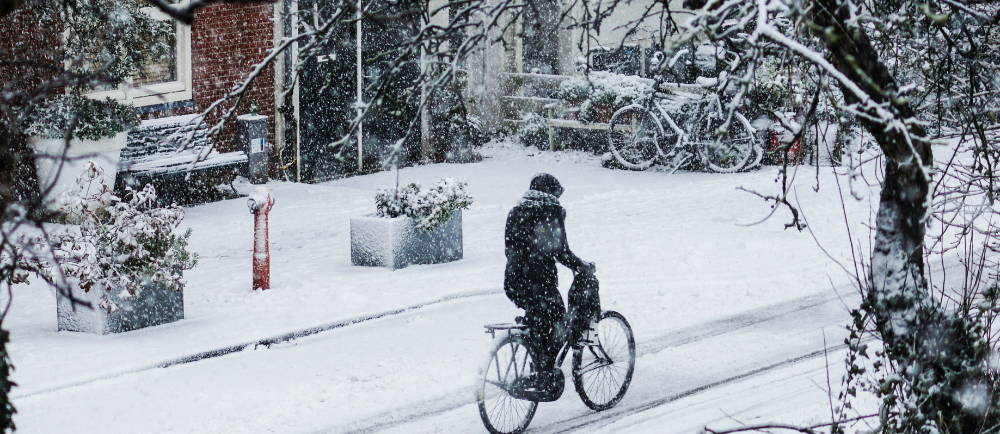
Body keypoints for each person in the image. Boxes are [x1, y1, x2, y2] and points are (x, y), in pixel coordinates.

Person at [504, 173, 598, 394]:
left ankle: (537, 365)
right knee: (559, 325)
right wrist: (582, 266)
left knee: (539, 321)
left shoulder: (515, 211)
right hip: (539, 282)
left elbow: (509, 249)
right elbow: (560, 251)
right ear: (552, 192)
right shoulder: (550, 211)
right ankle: (543, 374)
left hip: (513, 281)